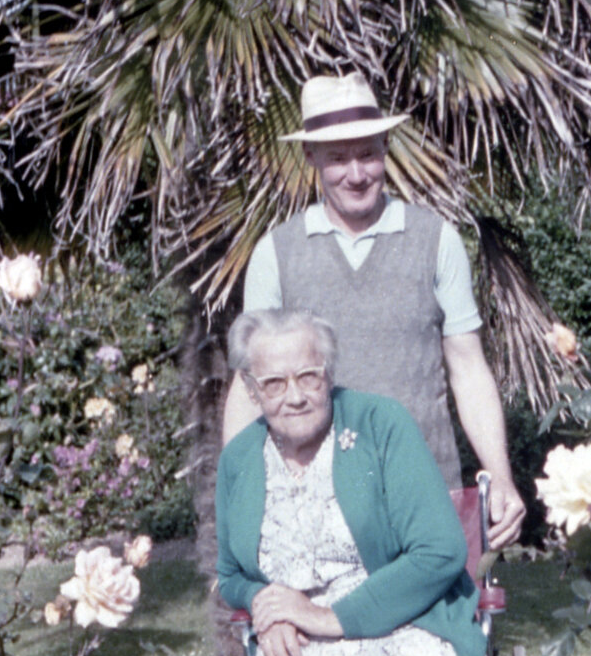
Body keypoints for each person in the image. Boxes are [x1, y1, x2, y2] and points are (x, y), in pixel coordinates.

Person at [216, 307, 506, 656]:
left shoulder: (379, 424)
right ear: (252, 390)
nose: (295, 395)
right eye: (275, 384)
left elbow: (440, 550)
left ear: (329, 372)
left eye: (308, 376)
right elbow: (231, 572)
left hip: (406, 623)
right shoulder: (239, 459)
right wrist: (266, 606)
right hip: (297, 643)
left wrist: (331, 618)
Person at [222, 70, 525, 548]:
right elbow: (248, 387)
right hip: (313, 507)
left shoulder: (437, 240)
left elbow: (468, 367)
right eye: (338, 158)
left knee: (438, 622)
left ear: (386, 147)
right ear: (311, 157)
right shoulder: (275, 253)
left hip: (427, 494)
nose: (356, 173)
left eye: (367, 153)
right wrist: (237, 495)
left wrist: (501, 477)